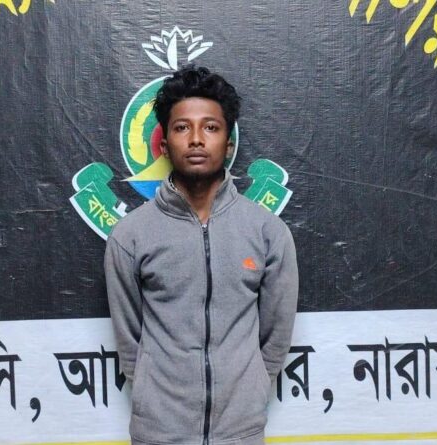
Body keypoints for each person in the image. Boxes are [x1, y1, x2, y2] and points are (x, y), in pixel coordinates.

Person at [104, 65, 298, 445]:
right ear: (163, 145)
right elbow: (129, 339)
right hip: (158, 434)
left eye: (210, 127)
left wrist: (255, 388)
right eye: (182, 128)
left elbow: (276, 333)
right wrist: (148, 393)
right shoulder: (130, 236)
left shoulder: (267, 232)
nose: (196, 139)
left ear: (228, 145)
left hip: (240, 433)